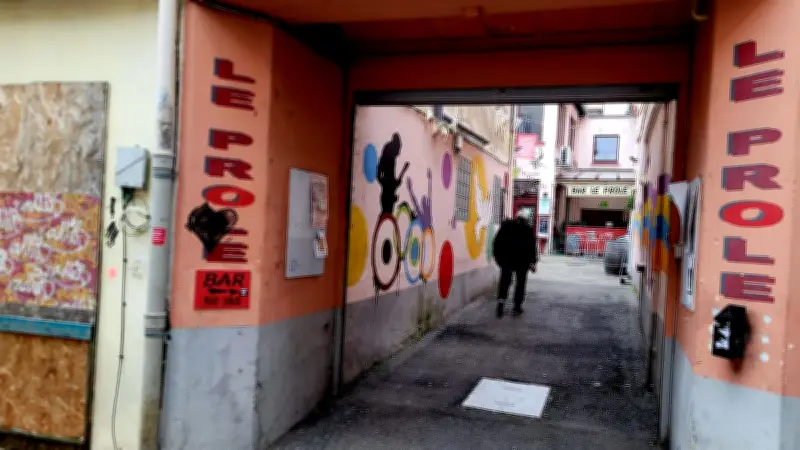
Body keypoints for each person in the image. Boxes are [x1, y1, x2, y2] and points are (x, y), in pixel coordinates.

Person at [492, 210, 539, 317]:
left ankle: (501, 302)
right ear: (526, 219)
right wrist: (533, 262)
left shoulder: (506, 226)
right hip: (522, 262)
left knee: (505, 281)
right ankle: (517, 307)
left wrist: (497, 257)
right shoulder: (528, 229)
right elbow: (532, 247)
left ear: (516, 217)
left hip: (507, 260)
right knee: (520, 283)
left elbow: (497, 242)